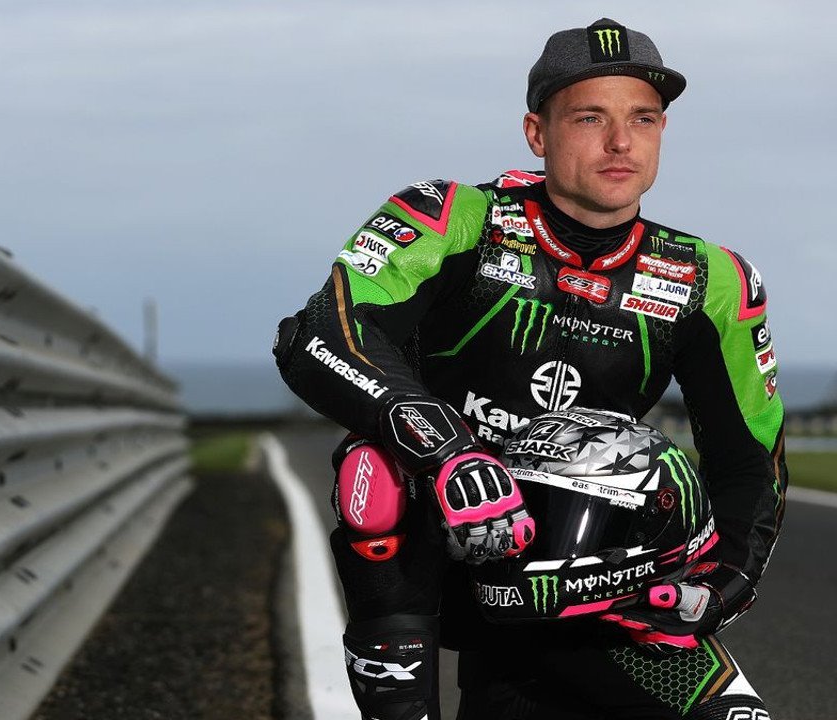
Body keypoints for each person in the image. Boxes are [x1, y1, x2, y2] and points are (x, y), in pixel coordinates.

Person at [272, 18, 787, 720]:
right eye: (589, 117)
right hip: (439, 549)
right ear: (537, 134)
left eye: (642, 118)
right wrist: (448, 452)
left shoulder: (712, 279)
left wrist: (721, 587)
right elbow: (317, 331)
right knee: (375, 475)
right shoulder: (454, 218)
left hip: (583, 579)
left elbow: (750, 459)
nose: (620, 142)